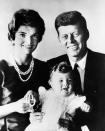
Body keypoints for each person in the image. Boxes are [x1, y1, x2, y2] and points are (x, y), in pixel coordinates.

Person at [47, 11, 105, 131]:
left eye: (75, 34)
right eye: (65, 36)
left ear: (86, 34)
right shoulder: (51, 66)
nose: (71, 41)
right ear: (59, 39)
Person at [0, 8, 49, 131]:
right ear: (12, 36)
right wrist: (15, 106)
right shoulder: (1, 69)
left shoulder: (44, 68)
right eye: (23, 34)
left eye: (34, 36)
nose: (29, 41)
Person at [25, 62, 90, 131]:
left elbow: (82, 102)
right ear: (51, 83)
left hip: (60, 127)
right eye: (61, 80)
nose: (66, 84)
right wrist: (31, 94)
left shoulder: (72, 97)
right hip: (42, 126)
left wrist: (86, 106)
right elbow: (35, 101)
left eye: (69, 80)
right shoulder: (47, 94)